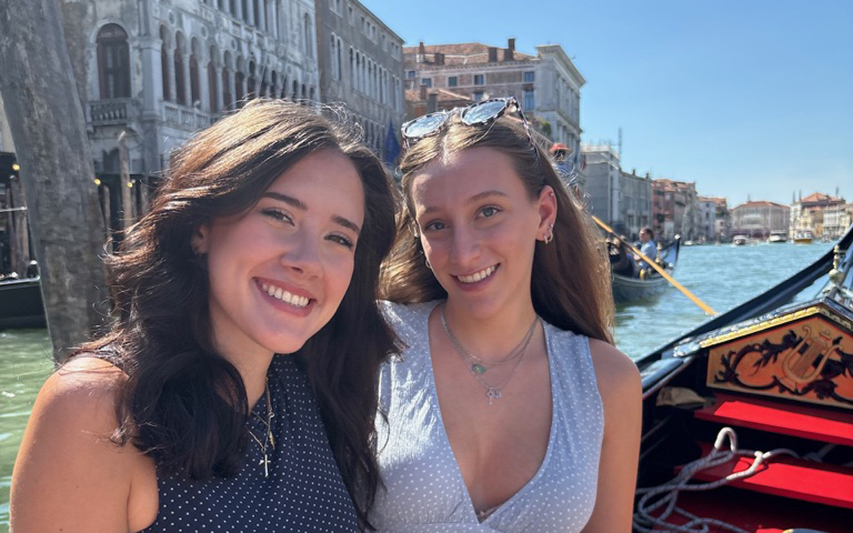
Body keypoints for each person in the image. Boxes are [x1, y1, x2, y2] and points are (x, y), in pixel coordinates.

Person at [10, 100, 398, 532]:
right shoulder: (97, 409)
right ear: (201, 229)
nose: (309, 261)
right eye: (279, 214)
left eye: (339, 238)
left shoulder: (309, 385)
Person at [375, 98, 642, 532]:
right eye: (437, 225)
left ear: (544, 214)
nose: (463, 252)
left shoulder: (608, 381)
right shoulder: (374, 339)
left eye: (488, 212)